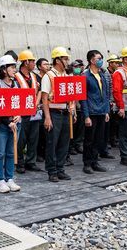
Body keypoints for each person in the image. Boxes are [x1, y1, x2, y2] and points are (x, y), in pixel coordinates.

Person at [41, 46, 74, 182]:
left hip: (65, 112)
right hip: (53, 113)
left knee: (64, 143)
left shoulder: (66, 76)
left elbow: (71, 95)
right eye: (65, 59)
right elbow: (44, 98)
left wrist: (72, 108)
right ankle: (52, 171)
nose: (67, 61)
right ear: (58, 60)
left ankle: (60, 169)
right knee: (52, 143)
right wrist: (47, 117)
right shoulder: (48, 76)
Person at [0, 55, 22, 193]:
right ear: (4, 69)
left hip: (15, 124)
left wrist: (18, 115)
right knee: (0, 153)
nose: (14, 70)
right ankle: (0, 180)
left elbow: (20, 103)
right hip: (2, 125)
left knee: (11, 152)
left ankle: (9, 178)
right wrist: (8, 121)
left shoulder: (16, 84)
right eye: (11, 67)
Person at [80, 50, 111, 174]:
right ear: (92, 60)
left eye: (101, 58)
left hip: (101, 112)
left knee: (98, 139)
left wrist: (106, 111)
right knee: (89, 140)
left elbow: (106, 94)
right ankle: (87, 164)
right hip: (91, 112)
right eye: (98, 58)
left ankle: (95, 161)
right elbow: (83, 98)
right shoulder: (85, 76)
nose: (100, 60)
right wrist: (86, 116)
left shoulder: (102, 75)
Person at [15, 50, 43, 173]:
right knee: (21, 140)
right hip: (21, 113)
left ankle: (31, 161)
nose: (34, 64)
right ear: (26, 62)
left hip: (34, 112)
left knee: (33, 138)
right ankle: (19, 163)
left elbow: (40, 90)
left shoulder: (35, 76)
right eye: (32, 61)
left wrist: (36, 103)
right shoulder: (16, 77)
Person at [99, 54, 121, 159]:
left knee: (110, 126)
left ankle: (105, 148)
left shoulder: (106, 73)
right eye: (116, 62)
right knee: (100, 129)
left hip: (108, 103)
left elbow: (110, 88)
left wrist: (111, 100)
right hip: (98, 105)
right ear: (110, 63)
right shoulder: (102, 72)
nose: (117, 64)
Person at [69, 59, 86, 157]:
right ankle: (71, 146)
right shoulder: (69, 78)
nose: (78, 68)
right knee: (73, 128)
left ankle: (78, 144)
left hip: (81, 106)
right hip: (72, 107)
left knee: (80, 128)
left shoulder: (82, 78)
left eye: (80, 67)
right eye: (76, 67)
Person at [36, 58, 50, 163]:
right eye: (45, 64)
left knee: (46, 132)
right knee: (39, 133)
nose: (48, 66)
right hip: (38, 108)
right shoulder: (36, 77)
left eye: (48, 64)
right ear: (39, 66)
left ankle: (45, 152)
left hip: (48, 107)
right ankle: (39, 153)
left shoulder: (50, 77)